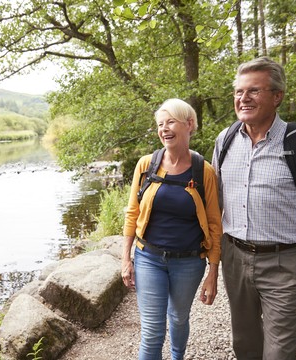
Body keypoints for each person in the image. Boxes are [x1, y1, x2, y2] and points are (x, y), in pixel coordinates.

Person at [212, 57, 296, 359]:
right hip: (235, 257)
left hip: (286, 263)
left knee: (279, 352)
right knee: (244, 344)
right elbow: (214, 202)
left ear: (277, 96)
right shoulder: (225, 140)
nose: (243, 98)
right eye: (238, 92)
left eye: (254, 91)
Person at [121, 98, 222, 360]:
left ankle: (178, 356)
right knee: (152, 331)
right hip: (148, 258)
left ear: (189, 124)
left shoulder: (204, 172)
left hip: (189, 261)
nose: (164, 129)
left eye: (170, 122)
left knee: (178, 318)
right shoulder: (146, 165)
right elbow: (132, 212)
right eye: (160, 124)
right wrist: (125, 259)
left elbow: (214, 223)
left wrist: (213, 272)